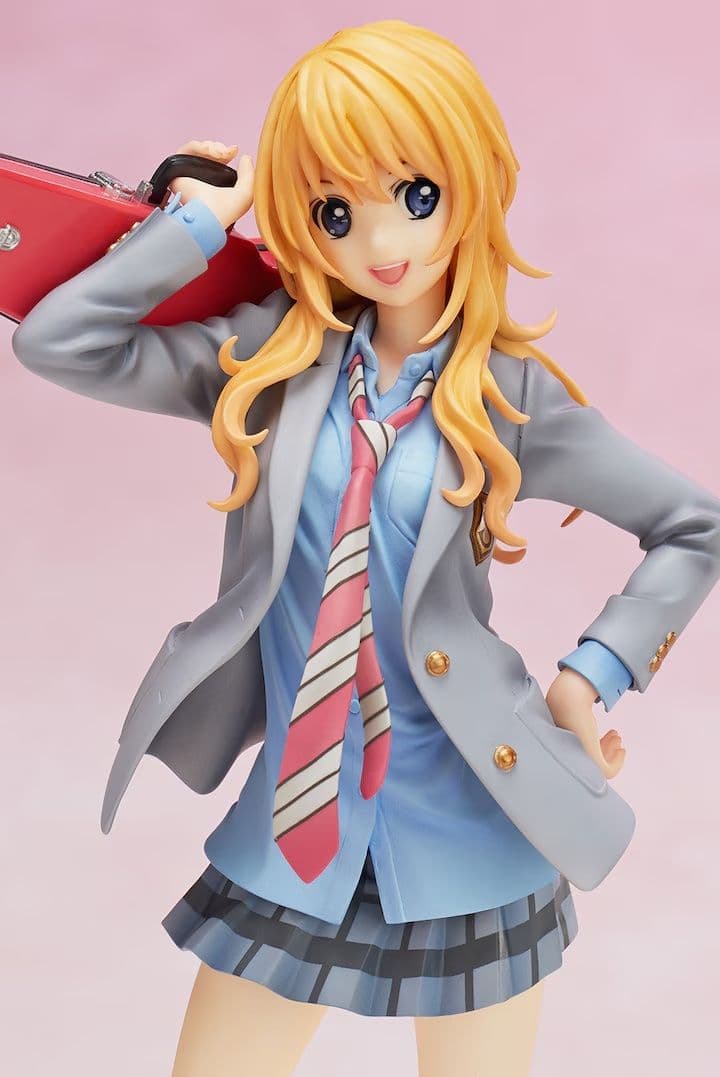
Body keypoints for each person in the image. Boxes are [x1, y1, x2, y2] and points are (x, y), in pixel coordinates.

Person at [11, 19, 720, 1077]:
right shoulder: (266, 361)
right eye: (335, 212)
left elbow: (693, 525)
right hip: (295, 822)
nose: (380, 240)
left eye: (415, 194)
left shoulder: (508, 398)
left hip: (473, 815)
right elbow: (58, 343)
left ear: (472, 179)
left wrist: (593, 675)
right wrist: (193, 226)